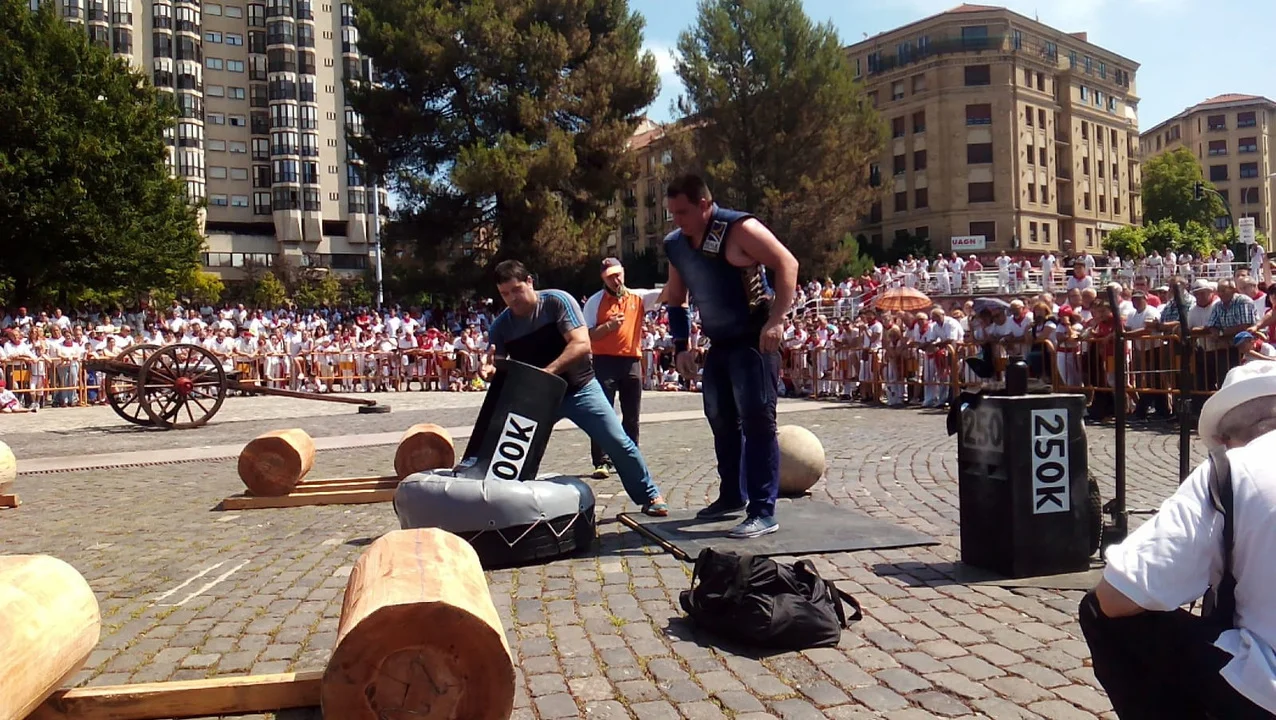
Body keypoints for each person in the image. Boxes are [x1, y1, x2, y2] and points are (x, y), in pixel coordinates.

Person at [1079, 361, 1276, 719]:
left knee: (1097, 610)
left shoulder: (1231, 469)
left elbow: (1119, 595)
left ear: (1224, 441)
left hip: (1269, 689)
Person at [660, 173, 799, 539]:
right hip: (719, 343)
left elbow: (787, 263)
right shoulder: (676, 245)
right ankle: (732, 494)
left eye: (684, 212)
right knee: (720, 418)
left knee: (758, 421)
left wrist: (777, 320)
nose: (677, 220)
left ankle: (763, 510)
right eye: (673, 212)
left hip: (755, 340)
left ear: (705, 204)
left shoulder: (738, 229)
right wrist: (681, 345)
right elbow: (676, 298)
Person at [485, 260, 668, 516]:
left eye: (516, 290)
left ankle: (649, 495)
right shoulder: (501, 326)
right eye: (505, 294)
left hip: (580, 389)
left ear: (530, 282)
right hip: (538, 398)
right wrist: (490, 372)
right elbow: (498, 366)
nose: (512, 299)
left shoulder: (557, 301)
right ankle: (504, 506)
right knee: (511, 450)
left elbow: (581, 344)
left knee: (618, 442)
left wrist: (547, 373)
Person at [581, 257, 665, 480]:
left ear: (624, 272)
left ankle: (630, 457)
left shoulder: (638, 297)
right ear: (603, 279)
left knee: (632, 415)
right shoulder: (595, 302)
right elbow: (587, 334)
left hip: (631, 362)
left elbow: (667, 293)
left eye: (618, 275)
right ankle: (602, 461)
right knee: (601, 413)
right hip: (604, 362)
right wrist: (609, 326)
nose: (616, 280)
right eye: (610, 277)